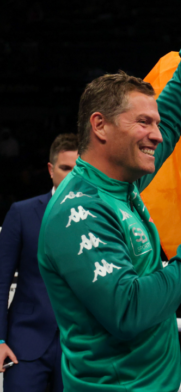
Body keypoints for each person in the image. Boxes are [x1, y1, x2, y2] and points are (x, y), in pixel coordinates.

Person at [36, 10, 181, 392]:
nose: (157, 136)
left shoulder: (120, 180)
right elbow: (128, 311)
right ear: (100, 126)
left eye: (154, 123)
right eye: (143, 123)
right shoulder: (79, 211)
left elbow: (174, 119)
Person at [0, 133, 78, 391]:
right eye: (65, 168)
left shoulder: (98, 218)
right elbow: (1, 282)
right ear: (50, 169)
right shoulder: (21, 213)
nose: (71, 176)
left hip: (78, 348)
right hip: (24, 342)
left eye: (78, 170)